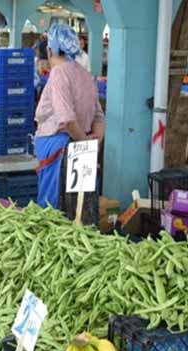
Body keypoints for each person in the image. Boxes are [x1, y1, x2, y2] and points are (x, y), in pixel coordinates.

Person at [35, 23, 105, 224]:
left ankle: (48, 247)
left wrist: (82, 144)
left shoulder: (58, 73)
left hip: (57, 147)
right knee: (78, 209)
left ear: (50, 50)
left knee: (51, 208)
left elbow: (65, 119)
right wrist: (92, 145)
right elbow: (99, 118)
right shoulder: (85, 75)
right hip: (79, 145)